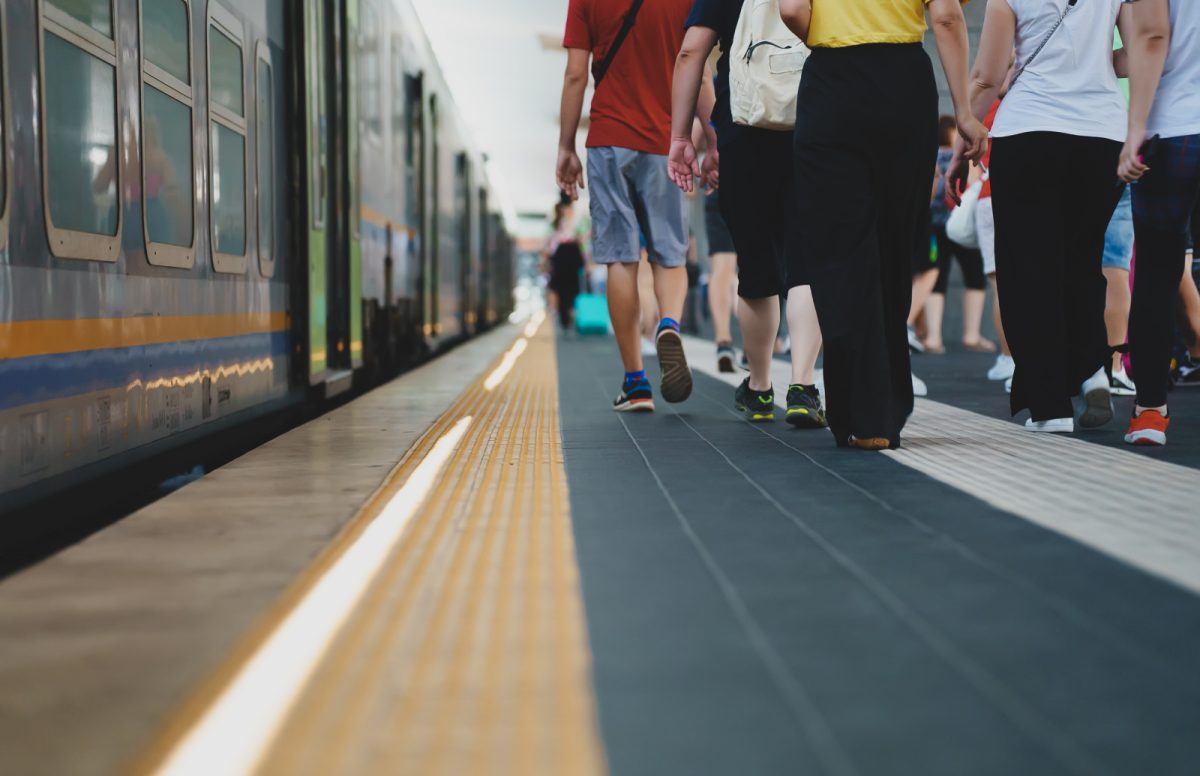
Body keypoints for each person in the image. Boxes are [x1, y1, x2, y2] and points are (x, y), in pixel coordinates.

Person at [778, 0, 987, 449]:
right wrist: (965, 112)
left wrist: (831, 46)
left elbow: (792, 9)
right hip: (902, 82)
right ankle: (883, 410)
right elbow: (947, 16)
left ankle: (854, 406)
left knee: (838, 250)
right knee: (892, 245)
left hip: (832, 83)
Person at [954, 0, 1154, 434]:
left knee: (1029, 274)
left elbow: (988, 75)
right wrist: (1098, 60)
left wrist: (961, 138)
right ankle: (1092, 370)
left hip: (1029, 133)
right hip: (1102, 136)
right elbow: (1140, 49)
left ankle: (1050, 407)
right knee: (1083, 262)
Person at [669, 0, 829, 429]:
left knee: (756, 268)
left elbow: (690, 54)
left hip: (743, 133)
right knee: (806, 264)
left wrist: (681, 136)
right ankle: (803, 386)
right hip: (811, 129)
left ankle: (759, 388)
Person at [558, 0, 695, 412]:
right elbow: (696, 66)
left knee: (620, 258)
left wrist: (565, 146)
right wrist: (710, 131)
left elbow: (576, 74)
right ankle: (668, 323)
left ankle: (635, 383)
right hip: (664, 140)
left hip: (608, 138)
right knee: (670, 254)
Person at [1119, 0, 1193, 445]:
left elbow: (1151, 36)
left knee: (1156, 274)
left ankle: (1150, 409)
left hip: (1176, 129)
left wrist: (1135, 127)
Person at [923, 116, 994, 356]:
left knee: (937, 281)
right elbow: (972, 182)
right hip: (962, 222)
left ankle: (933, 337)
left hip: (935, 225)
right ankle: (971, 334)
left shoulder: (929, 156)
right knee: (975, 278)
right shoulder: (963, 156)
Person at [545, 200, 586, 333]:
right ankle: (566, 317)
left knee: (569, 289)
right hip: (565, 258)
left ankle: (569, 315)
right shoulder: (558, 224)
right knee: (565, 289)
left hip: (565, 258)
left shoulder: (573, 223)